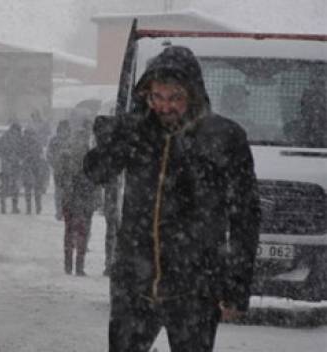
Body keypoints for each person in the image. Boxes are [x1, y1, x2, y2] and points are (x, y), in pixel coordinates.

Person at [84, 46, 260, 352]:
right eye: (157, 97)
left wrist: (236, 286)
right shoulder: (138, 132)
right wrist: (113, 136)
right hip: (135, 285)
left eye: (174, 98)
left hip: (195, 288)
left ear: (192, 93)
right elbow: (97, 172)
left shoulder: (225, 137)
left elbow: (245, 215)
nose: (164, 107)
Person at [53, 117, 97, 276]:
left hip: (70, 199)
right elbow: (97, 179)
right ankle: (79, 266)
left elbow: (57, 176)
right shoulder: (91, 156)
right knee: (83, 233)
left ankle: (68, 265)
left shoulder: (66, 155)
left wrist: (65, 188)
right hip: (85, 200)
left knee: (69, 232)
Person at [0, 122, 23, 214]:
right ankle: (13, 207)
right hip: (14, 165)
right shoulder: (19, 139)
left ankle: (3, 207)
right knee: (14, 187)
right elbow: (22, 151)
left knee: (5, 187)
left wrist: (5, 157)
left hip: (7, 165)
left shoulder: (4, 137)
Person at [46, 120, 71, 220]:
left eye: (66, 129)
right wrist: (54, 163)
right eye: (63, 129)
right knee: (60, 192)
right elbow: (49, 154)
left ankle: (65, 211)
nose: (64, 131)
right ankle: (59, 212)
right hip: (59, 170)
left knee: (67, 193)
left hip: (68, 170)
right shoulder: (54, 141)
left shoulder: (71, 141)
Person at [20, 125, 45, 215]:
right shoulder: (24, 143)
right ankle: (30, 208)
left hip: (35, 169)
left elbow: (41, 157)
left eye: (29, 134)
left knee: (34, 190)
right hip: (30, 169)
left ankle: (36, 207)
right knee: (30, 190)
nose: (28, 136)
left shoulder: (35, 144)